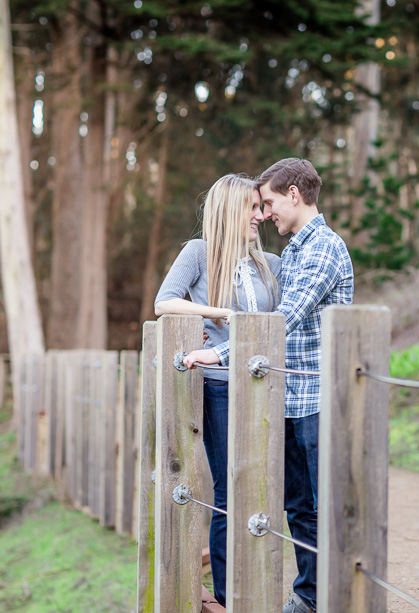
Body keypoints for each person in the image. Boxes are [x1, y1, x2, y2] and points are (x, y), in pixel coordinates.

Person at [184, 158, 354, 613]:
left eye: (272, 202)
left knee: (327, 505)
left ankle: (336, 597)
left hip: (318, 396)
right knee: (299, 507)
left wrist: (218, 353)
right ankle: (310, 596)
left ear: (294, 195)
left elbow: (282, 319)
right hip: (290, 400)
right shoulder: (294, 249)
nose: (266, 213)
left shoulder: (322, 249)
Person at [154, 173, 280, 607]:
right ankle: (230, 597)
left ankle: (262, 585)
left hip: (266, 389)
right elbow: (164, 301)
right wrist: (219, 312)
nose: (261, 217)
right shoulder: (198, 253)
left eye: (263, 208)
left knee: (266, 488)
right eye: (252, 208)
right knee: (233, 490)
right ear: (230, 209)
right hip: (221, 389)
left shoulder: (270, 264)